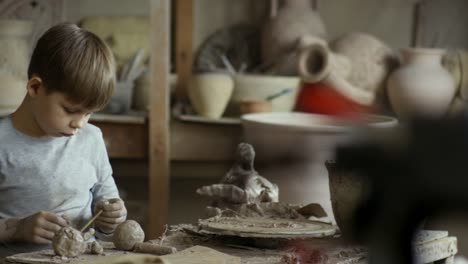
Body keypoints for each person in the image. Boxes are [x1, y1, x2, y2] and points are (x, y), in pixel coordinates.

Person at [0, 23, 127, 256]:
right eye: (70, 110)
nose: (80, 123)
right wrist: (15, 228)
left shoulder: (91, 139)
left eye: (89, 113)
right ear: (36, 88)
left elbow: (108, 207)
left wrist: (111, 218)